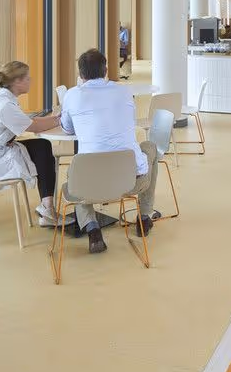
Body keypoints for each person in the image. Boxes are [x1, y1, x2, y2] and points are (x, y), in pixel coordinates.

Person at [60, 48, 159, 255]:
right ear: (106, 70)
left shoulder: (72, 95)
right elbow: (128, 123)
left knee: (76, 177)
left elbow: (68, 129)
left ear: (81, 74)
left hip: (90, 186)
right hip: (131, 181)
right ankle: (144, 218)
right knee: (149, 147)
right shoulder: (124, 91)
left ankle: (92, 228)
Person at [0, 61, 71, 227]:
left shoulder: (3, 98)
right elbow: (32, 126)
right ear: (17, 81)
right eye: (27, 78)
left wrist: (55, 118)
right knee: (42, 148)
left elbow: (28, 122)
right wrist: (61, 119)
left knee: (42, 146)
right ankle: (48, 209)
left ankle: (47, 208)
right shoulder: (4, 105)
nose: (30, 81)